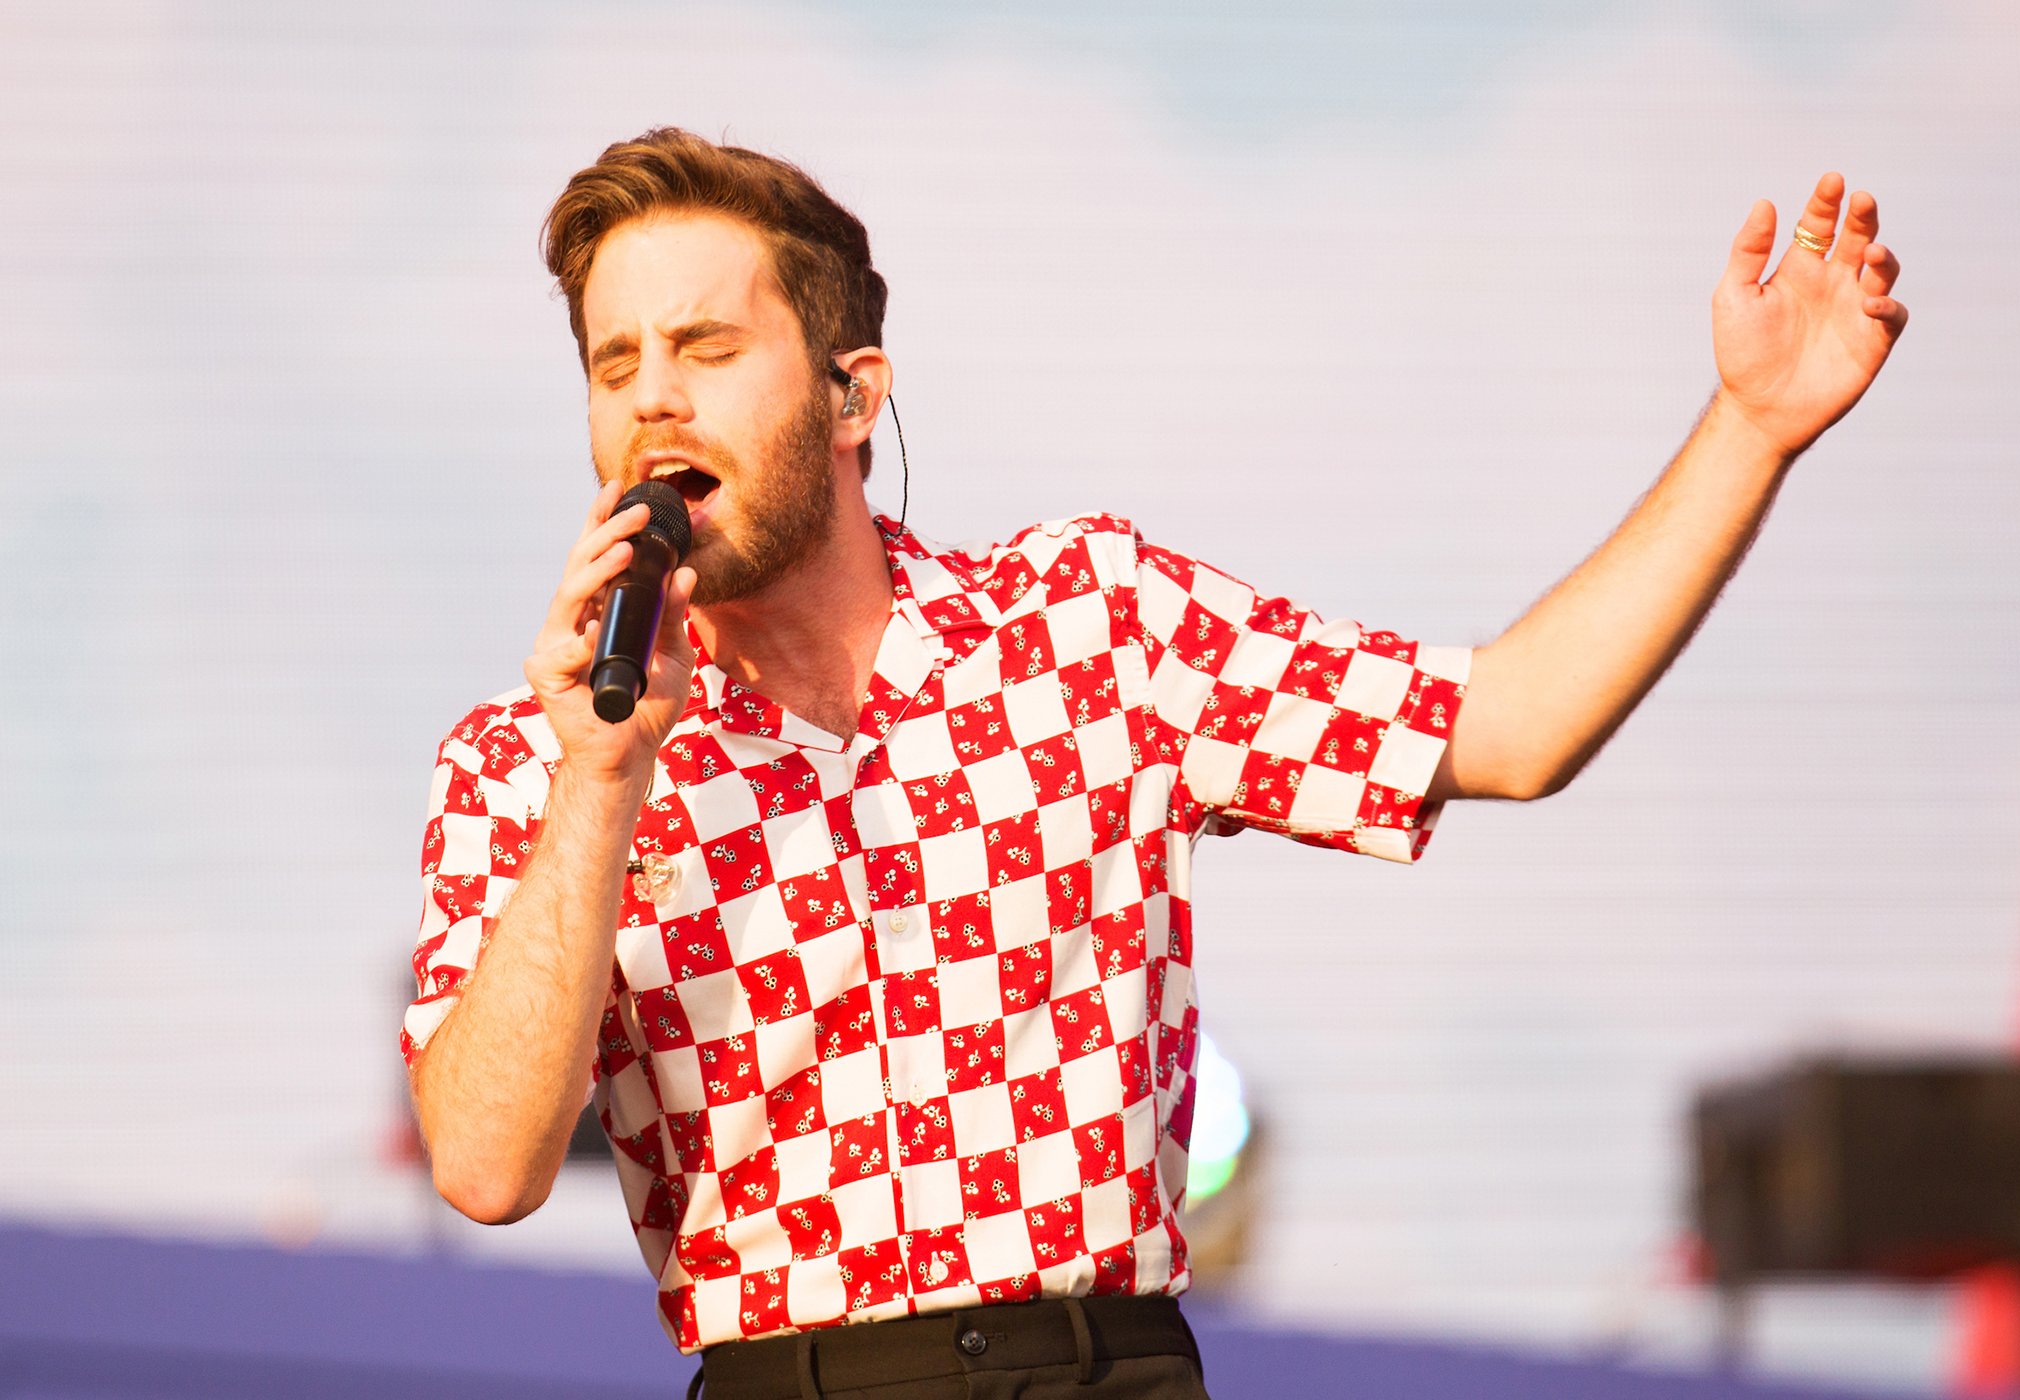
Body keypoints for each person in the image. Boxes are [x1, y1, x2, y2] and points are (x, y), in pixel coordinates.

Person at [401, 127, 1907, 1398]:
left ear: (854, 396)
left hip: (1097, 1362)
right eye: (615, 365)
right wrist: (601, 780)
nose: (652, 397)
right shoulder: (527, 763)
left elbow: (1506, 727)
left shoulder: (1087, 622)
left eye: (708, 347)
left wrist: (1751, 429)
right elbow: (483, 1167)